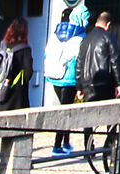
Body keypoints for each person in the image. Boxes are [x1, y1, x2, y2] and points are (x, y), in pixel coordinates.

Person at [45, 2, 87, 153]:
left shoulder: (55, 34)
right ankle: (57, 145)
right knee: (65, 112)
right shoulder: (78, 36)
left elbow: (46, 54)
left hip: (55, 76)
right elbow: (78, 60)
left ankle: (66, 142)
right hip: (69, 78)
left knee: (65, 109)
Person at [0, 21, 32, 112]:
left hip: (1, 93)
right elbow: (28, 74)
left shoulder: (2, 48)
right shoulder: (25, 49)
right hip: (17, 98)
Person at [78, 11, 120, 102]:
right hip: (104, 83)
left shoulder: (85, 39)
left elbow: (79, 64)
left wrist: (79, 87)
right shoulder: (108, 37)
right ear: (108, 24)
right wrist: (118, 83)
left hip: (87, 85)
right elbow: (115, 61)